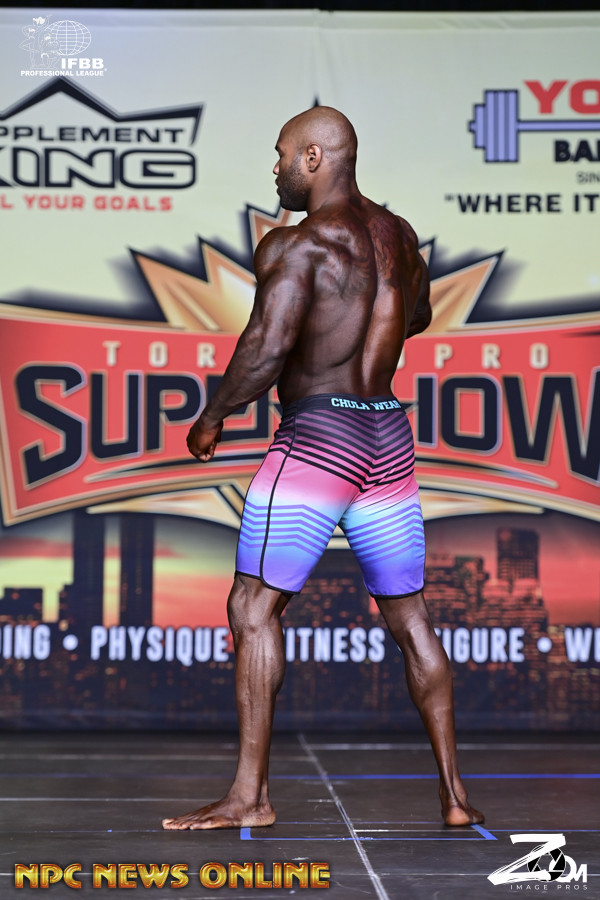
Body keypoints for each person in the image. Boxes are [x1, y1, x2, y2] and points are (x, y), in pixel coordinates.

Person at [162, 106, 483, 831]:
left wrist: (213, 415)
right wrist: (363, 318)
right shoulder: (399, 236)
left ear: (313, 158)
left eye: (281, 154)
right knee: (410, 617)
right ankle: (456, 797)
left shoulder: (296, 245)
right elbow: (419, 316)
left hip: (321, 438)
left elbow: (266, 346)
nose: (274, 168)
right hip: (387, 438)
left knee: (253, 607)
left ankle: (250, 795)